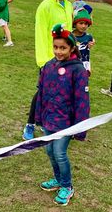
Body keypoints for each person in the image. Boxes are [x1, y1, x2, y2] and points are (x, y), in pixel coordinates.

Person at [36, 23, 89, 206]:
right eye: (56, 47)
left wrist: (80, 128)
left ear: (72, 48)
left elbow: (82, 102)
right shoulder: (49, 66)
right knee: (49, 151)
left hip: (66, 123)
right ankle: (58, 180)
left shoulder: (78, 70)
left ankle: (67, 186)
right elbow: (41, 93)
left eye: (63, 48)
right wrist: (38, 117)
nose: (58, 51)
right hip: (48, 119)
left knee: (59, 153)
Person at [22, 0, 73, 140]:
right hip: (49, 59)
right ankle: (29, 125)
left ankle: (53, 124)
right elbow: (41, 35)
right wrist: (45, 62)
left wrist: (72, 54)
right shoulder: (44, 6)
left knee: (63, 92)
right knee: (43, 92)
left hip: (66, 57)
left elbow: (70, 33)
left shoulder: (69, 6)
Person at [72, 8, 95, 76]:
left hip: (84, 66)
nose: (83, 26)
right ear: (75, 23)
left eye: (86, 24)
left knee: (83, 84)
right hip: (72, 65)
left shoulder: (89, 37)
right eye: (81, 23)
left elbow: (87, 53)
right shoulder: (70, 36)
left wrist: (88, 67)